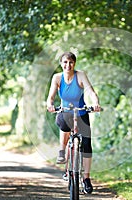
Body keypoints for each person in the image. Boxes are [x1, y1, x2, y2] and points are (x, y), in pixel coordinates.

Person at [47, 52, 100, 194]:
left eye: (71, 62)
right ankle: (62, 150)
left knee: (87, 145)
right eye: (65, 62)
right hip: (65, 112)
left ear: (74, 64)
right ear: (61, 63)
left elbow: (90, 91)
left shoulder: (80, 75)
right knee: (63, 123)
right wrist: (50, 105)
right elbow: (51, 96)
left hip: (81, 112)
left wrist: (95, 103)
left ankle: (86, 179)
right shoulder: (57, 78)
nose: (68, 65)